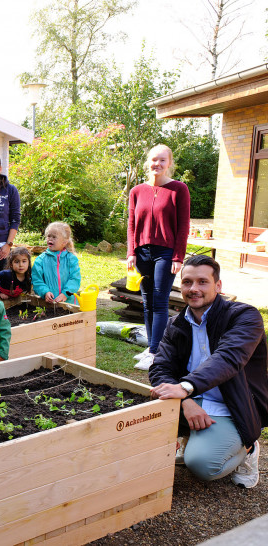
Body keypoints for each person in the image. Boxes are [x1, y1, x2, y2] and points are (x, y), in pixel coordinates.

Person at [149, 255, 268, 489]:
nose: (194, 289)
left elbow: (228, 359)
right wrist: (186, 400)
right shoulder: (176, 324)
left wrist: (184, 389)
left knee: (203, 465)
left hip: (233, 405)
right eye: (187, 282)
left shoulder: (244, 317)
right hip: (192, 399)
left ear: (218, 286)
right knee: (133, 425)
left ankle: (248, 447)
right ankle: (195, 438)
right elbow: (160, 367)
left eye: (202, 282)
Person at [128, 144, 191, 371]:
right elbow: (132, 224)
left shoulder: (179, 189)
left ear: (169, 164)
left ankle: (156, 352)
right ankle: (152, 347)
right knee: (147, 303)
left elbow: (183, 225)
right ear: (148, 162)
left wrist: (178, 257)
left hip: (166, 252)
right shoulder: (136, 191)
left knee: (160, 301)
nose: (158, 164)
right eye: (154, 160)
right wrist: (131, 252)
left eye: (162, 160)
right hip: (143, 252)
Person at [32, 222, 81, 304]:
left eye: (54, 237)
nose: (50, 239)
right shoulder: (40, 260)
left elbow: (74, 279)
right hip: (48, 304)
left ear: (64, 242)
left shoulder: (71, 259)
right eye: (48, 236)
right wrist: (45, 292)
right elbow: (37, 280)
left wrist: (65, 294)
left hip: (69, 303)